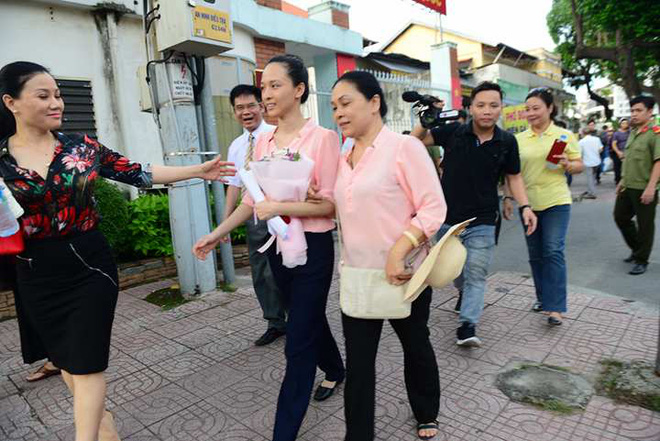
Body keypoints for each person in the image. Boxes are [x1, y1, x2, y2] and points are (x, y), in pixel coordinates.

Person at [0, 61, 235, 441]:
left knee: (88, 363)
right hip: (35, 272)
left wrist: (196, 170)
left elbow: (138, 172)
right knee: (67, 359)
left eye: (58, 94)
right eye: (44, 96)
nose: (56, 102)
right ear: (11, 103)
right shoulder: (1, 161)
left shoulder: (82, 146)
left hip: (89, 265)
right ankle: (105, 430)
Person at [193, 54, 345, 441]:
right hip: (278, 246)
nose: (267, 93)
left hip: (313, 246)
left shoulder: (323, 138)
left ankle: (284, 432)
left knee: (297, 340)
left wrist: (280, 206)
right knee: (305, 317)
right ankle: (336, 369)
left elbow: (330, 205)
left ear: (298, 89)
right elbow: (252, 199)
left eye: (276, 85)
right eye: (265, 86)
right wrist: (218, 232)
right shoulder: (263, 140)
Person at [331, 71, 446, 440]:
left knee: (415, 345)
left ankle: (426, 411)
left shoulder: (404, 148)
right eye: (334, 107)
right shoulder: (342, 154)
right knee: (360, 365)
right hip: (358, 275)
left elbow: (433, 207)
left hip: (404, 274)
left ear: (375, 102)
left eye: (346, 103)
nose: (339, 113)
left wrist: (400, 249)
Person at [413, 81, 537, 347]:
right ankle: (463, 293)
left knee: (477, 271)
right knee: (456, 272)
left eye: (493, 105)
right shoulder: (453, 132)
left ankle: (467, 325)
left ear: (501, 108)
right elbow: (413, 142)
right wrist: (425, 121)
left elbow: (514, 177)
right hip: (448, 218)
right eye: (481, 105)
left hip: (483, 219)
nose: (487, 110)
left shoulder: (507, 141)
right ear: (471, 108)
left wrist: (524, 206)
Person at [507, 87, 583, 325]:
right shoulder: (517, 140)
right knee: (536, 255)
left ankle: (555, 308)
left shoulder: (564, 136)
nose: (531, 113)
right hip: (527, 204)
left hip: (556, 201)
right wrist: (509, 199)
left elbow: (579, 164)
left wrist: (568, 164)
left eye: (536, 108)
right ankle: (543, 298)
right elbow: (512, 173)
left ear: (550, 108)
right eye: (527, 109)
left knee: (553, 250)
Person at [224, 84, 285, 346]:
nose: (246, 111)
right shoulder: (236, 146)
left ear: (261, 106)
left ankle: (298, 319)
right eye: (240, 108)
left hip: (282, 213)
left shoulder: (276, 135)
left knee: (286, 268)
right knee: (260, 271)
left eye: (251, 105)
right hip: (253, 215)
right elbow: (234, 185)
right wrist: (226, 224)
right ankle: (275, 322)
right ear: (234, 112)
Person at [613, 95, 660, 276]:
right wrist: (622, 182)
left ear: (649, 112)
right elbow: (630, 160)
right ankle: (636, 249)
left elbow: (658, 161)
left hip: (645, 186)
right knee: (620, 217)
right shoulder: (633, 132)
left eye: (638, 110)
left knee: (645, 225)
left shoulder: (655, 133)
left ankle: (642, 259)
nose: (634, 114)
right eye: (632, 110)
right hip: (628, 185)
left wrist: (651, 187)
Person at [578, 126, 603, 199]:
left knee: (589, 178)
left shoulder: (581, 142)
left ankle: (592, 193)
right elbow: (601, 149)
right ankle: (590, 190)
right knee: (593, 177)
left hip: (587, 162)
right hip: (597, 161)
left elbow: (580, 153)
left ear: (583, 133)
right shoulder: (597, 139)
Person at [611, 118, 630, 184]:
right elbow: (614, 144)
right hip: (619, 154)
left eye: (626, 123)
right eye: (623, 123)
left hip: (628, 153)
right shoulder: (616, 134)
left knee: (627, 169)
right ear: (620, 124)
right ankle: (618, 182)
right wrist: (618, 152)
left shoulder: (630, 132)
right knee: (618, 169)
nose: (624, 125)